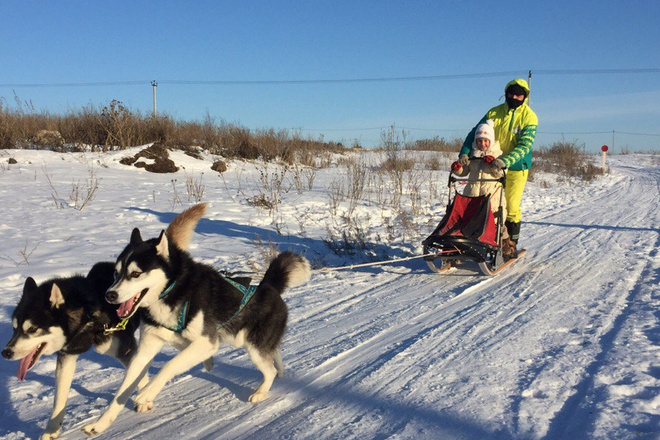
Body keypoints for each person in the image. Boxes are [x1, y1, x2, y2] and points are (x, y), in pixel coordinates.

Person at [457, 78, 538, 257]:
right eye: (511, 93)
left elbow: (525, 146)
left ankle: (509, 243)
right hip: (489, 165)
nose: (514, 97)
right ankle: (481, 238)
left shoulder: (529, 117)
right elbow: (475, 133)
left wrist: (505, 161)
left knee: (510, 205)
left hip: (516, 167)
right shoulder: (494, 112)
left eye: (519, 94)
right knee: (487, 202)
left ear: (524, 96)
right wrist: (464, 153)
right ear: (506, 93)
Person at [451, 119, 513, 257]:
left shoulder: (498, 155)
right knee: (470, 221)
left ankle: (505, 244)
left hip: (492, 197)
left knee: (497, 223)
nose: (482, 144)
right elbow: (465, 171)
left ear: (491, 141)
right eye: (479, 141)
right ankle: (467, 246)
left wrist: (494, 165)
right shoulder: (472, 155)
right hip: (473, 195)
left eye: (485, 141)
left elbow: (502, 173)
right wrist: (458, 169)